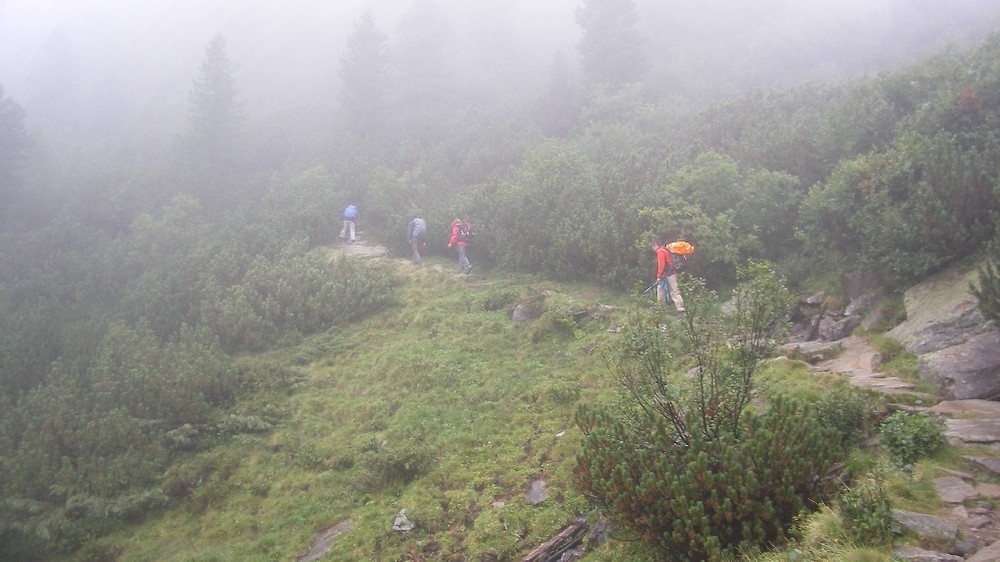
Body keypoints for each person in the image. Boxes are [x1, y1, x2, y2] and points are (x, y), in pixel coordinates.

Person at [653, 236, 685, 314]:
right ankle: (663, 308)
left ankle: (680, 310)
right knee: (665, 290)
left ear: (655, 245)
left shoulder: (660, 251)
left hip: (669, 274)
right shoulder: (666, 250)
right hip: (671, 273)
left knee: (673, 290)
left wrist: (658, 276)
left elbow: (661, 265)